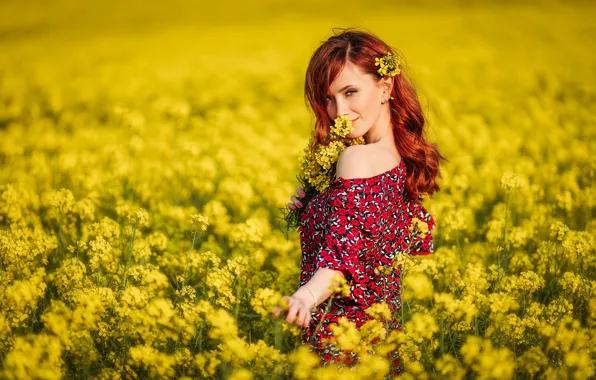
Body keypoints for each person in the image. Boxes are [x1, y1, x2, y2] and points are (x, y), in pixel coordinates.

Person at [274, 28, 445, 376]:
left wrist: (305, 298)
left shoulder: (356, 160)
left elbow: (342, 254)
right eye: (329, 98)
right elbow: (409, 245)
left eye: (351, 92)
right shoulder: (404, 162)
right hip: (382, 343)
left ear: (385, 87)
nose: (340, 111)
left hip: (341, 342)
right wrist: (317, 208)